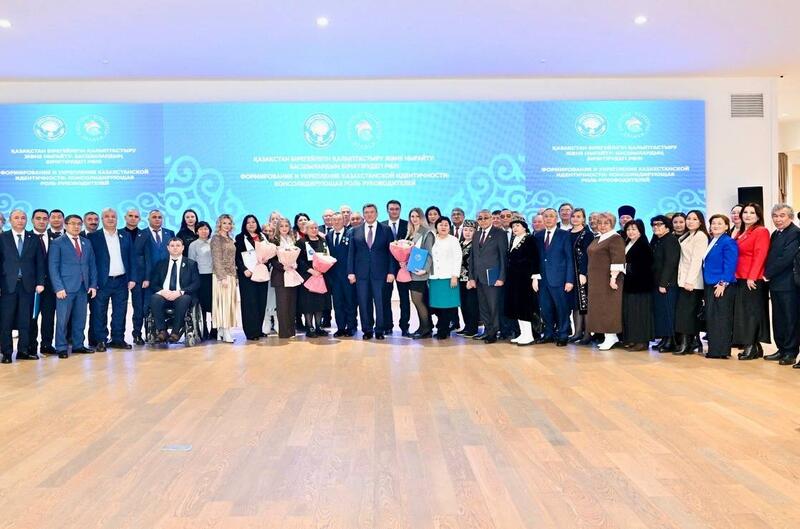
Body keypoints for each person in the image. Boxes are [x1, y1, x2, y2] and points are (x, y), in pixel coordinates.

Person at [49, 214, 97, 359]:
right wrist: (58, 287)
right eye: (73, 223)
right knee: (62, 320)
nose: (76, 226)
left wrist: (93, 284)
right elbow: (53, 267)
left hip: (83, 287)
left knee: (80, 318)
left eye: (79, 224)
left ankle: (78, 345)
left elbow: (92, 265)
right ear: (65, 225)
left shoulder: (86, 242)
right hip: (65, 288)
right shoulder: (57, 243)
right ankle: (61, 347)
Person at [0, 210, 45, 363]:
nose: (20, 220)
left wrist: (40, 282)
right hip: (7, 285)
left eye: (23, 218)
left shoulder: (34, 238)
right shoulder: (2, 237)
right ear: (10, 220)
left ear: (27, 220)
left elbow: (40, 262)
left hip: (28, 286)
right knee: (6, 320)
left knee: (25, 320)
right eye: (16, 218)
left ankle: (23, 351)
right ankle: (6, 353)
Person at [87, 208, 134, 351]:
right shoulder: (93, 237)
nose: (110, 219)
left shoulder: (125, 235)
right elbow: (90, 262)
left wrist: (132, 278)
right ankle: (100, 340)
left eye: (113, 216)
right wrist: (93, 282)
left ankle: (118, 339)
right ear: (102, 219)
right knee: (99, 312)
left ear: (117, 219)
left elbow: (131, 258)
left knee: (120, 312)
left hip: (121, 281)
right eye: (107, 216)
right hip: (102, 282)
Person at [347, 203, 396, 340]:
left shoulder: (386, 229)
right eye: (366, 212)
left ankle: (379, 330)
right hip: (361, 274)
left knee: (380, 302)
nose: (369, 214)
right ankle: (367, 330)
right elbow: (351, 253)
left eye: (372, 212)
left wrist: (391, 272)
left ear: (377, 213)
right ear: (363, 215)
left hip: (381, 274)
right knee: (363, 302)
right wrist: (350, 272)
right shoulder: (355, 230)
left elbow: (391, 253)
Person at [732, 203, 770, 360]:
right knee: (744, 314)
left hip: (752, 279)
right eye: (745, 212)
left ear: (758, 216)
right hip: (740, 278)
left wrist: (752, 276)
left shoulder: (761, 231)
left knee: (751, 314)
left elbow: (760, 255)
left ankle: (750, 346)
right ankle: (755, 347)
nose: (747, 215)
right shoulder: (741, 232)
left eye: (752, 213)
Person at [763, 204, 800, 365]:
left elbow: (786, 258)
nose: (778, 219)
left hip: (789, 284)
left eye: (782, 216)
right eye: (775, 216)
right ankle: (782, 349)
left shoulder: (795, 233)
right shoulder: (776, 233)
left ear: (790, 217)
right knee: (778, 319)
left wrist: (767, 274)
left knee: (790, 319)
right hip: (776, 283)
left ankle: (790, 352)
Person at [532, 208, 574, 346]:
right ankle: (548, 334)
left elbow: (569, 259)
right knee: (545, 309)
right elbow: (536, 259)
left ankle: (563, 335)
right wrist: (535, 277)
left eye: (551, 216)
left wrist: (569, 280)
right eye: (546, 216)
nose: (548, 219)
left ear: (556, 219)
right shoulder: (538, 236)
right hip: (543, 280)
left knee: (562, 308)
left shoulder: (564, 235)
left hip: (559, 279)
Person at [132, 210, 175, 345]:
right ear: (148, 219)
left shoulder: (170, 233)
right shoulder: (142, 234)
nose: (157, 219)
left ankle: (161, 331)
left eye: (159, 217)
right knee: (143, 307)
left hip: (166, 277)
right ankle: (140, 334)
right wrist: (144, 277)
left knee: (162, 304)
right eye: (154, 217)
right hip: (146, 278)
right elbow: (138, 256)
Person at [585, 212, 626, 350]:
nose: (602, 226)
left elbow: (618, 259)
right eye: (600, 223)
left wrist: (613, 278)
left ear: (612, 224)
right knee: (599, 307)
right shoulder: (598, 238)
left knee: (609, 308)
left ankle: (611, 336)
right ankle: (607, 336)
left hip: (608, 280)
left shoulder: (615, 238)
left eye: (606, 223)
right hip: (596, 280)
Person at [148, 238, 201, 343]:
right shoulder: (161, 264)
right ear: (168, 248)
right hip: (164, 295)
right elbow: (153, 284)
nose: (175, 248)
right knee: (154, 298)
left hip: (182, 295)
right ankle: (162, 331)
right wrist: (162, 292)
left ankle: (175, 332)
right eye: (172, 246)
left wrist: (180, 292)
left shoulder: (191, 264)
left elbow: (196, 283)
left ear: (183, 248)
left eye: (178, 245)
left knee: (184, 299)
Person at [467, 209, 508, 343]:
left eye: (486, 218)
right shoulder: (477, 234)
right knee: (483, 306)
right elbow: (473, 257)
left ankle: (493, 332)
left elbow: (503, 256)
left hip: (493, 277)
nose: (483, 220)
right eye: (480, 218)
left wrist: (501, 277)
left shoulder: (499, 233)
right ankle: (487, 329)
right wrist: (471, 277)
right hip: (479, 277)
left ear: (491, 219)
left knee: (493, 306)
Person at [702, 214, 739, 359]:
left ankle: (720, 351)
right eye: (713, 223)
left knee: (721, 318)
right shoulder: (713, 240)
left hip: (721, 285)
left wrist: (723, 283)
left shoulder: (728, 242)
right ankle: (715, 349)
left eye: (719, 223)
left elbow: (730, 264)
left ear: (726, 226)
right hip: (710, 283)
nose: (715, 226)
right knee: (713, 317)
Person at [674, 210, 709, 355]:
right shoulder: (687, 235)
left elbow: (696, 260)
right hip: (683, 280)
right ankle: (689, 343)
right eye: (688, 218)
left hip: (692, 283)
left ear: (700, 222)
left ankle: (686, 344)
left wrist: (690, 281)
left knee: (686, 314)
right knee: (685, 314)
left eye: (694, 219)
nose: (690, 221)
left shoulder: (700, 236)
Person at [504, 219, 540, 346]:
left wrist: (535, 277)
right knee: (517, 307)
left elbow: (535, 258)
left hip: (526, 279)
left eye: (517, 225)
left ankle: (529, 335)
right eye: (513, 226)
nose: (515, 228)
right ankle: (523, 333)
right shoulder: (514, 239)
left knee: (525, 307)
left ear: (524, 227)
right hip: (514, 279)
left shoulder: (530, 239)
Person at [28, 208, 58, 357]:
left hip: (51, 285)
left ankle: (46, 344)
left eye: (45, 219)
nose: (41, 221)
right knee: (30, 318)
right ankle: (31, 346)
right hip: (30, 286)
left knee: (49, 317)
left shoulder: (56, 238)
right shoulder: (26, 237)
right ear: (32, 220)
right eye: (38, 218)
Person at [235, 214, 269, 341]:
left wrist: (267, 259)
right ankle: (251, 332)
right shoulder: (240, 238)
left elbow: (269, 253)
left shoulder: (263, 237)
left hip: (261, 272)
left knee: (261, 302)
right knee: (250, 303)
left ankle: (259, 330)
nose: (251, 224)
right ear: (244, 225)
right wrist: (244, 269)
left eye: (253, 222)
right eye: (248, 222)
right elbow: (237, 257)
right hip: (247, 275)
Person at [621, 219, 654, 351]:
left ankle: (642, 341)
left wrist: (625, 267)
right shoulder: (628, 243)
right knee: (631, 313)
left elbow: (645, 266)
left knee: (640, 314)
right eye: (628, 229)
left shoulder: (644, 245)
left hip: (640, 286)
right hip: (629, 284)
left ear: (640, 231)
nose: (631, 232)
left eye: (634, 229)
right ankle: (633, 339)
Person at [650, 215, 681, 352]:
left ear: (667, 227)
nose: (656, 227)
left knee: (668, 312)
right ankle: (664, 339)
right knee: (661, 312)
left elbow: (670, 263)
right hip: (657, 282)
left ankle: (670, 341)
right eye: (654, 225)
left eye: (659, 224)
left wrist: (664, 283)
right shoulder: (658, 240)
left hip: (667, 284)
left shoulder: (670, 240)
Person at [428, 217, 462, 339]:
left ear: (449, 227)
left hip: (448, 278)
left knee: (447, 307)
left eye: (446, 225)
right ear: (436, 226)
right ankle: (442, 327)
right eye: (441, 224)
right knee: (436, 306)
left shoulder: (453, 240)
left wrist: (455, 276)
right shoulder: (432, 238)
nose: (443, 227)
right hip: (434, 278)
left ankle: (443, 330)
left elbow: (458, 258)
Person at [296, 221, 330, 337]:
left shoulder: (323, 241)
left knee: (320, 303)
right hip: (308, 277)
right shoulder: (301, 242)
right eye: (311, 228)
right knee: (308, 304)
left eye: (316, 227)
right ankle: (310, 328)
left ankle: (319, 327)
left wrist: (322, 269)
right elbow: (298, 260)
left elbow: (327, 257)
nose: (314, 230)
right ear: (306, 229)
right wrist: (310, 270)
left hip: (321, 276)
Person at [325, 212, 357, 337]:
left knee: (350, 302)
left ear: (344, 221)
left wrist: (352, 272)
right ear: (331, 222)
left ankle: (351, 327)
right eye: (334, 220)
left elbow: (353, 255)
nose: (337, 222)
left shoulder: (351, 234)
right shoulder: (328, 236)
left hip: (348, 275)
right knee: (337, 303)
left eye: (339, 220)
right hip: (334, 277)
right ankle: (340, 327)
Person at [381, 199, 410, 336]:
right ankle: (387, 325)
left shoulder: (408, 225)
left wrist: (406, 262)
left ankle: (404, 326)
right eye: (391, 209)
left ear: (400, 210)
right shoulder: (381, 225)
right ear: (387, 210)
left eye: (396, 209)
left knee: (404, 298)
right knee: (385, 298)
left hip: (404, 267)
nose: (394, 211)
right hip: (386, 268)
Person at [406, 207, 434, 339]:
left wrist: (425, 269)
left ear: (422, 217)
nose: (414, 219)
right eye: (412, 216)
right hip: (411, 272)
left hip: (420, 273)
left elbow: (430, 254)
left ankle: (426, 329)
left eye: (417, 216)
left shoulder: (427, 233)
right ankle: (423, 326)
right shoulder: (410, 232)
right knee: (417, 301)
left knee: (418, 301)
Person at [211, 214, 238, 343]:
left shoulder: (230, 239)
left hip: (231, 274)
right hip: (221, 276)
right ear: (219, 224)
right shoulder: (216, 238)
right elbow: (216, 259)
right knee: (223, 304)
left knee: (229, 303)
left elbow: (232, 259)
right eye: (224, 223)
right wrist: (222, 277)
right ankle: (226, 331)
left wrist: (235, 276)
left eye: (229, 223)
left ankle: (222, 330)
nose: (227, 226)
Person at [270, 218, 299, 339]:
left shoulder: (292, 240)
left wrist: (294, 264)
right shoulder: (274, 241)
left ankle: (291, 331)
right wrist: (283, 267)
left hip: (292, 274)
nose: (284, 228)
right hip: (280, 276)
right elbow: (272, 259)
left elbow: (296, 255)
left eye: (286, 226)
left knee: (291, 304)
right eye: (281, 226)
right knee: (282, 305)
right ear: (278, 228)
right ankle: (284, 332)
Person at [569, 208, 593, 343]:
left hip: (582, 274)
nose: (575, 218)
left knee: (584, 303)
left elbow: (587, 255)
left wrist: (583, 273)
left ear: (583, 219)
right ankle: (577, 332)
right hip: (570, 273)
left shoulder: (587, 234)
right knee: (575, 304)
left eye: (578, 216)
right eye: (573, 216)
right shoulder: (567, 233)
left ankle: (587, 334)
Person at [188, 221, 214, 340]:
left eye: (206, 229)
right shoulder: (193, 245)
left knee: (214, 304)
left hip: (213, 276)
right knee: (202, 303)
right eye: (201, 229)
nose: (204, 231)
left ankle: (215, 329)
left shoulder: (214, 242)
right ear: (197, 231)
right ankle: (203, 329)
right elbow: (191, 262)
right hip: (201, 277)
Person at [456, 220, 479, 337]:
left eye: (471, 230)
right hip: (459, 278)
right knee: (463, 304)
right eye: (465, 230)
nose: (468, 232)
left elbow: (476, 264)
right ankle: (466, 326)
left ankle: (473, 328)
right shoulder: (459, 243)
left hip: (470, 280)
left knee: (471, 304)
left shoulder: (476, 245)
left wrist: (472, 278)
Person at [262, 222, 280, 336]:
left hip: (274, 274)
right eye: (265, 231)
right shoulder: (259, 243)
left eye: (270, 231)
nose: (268, 233)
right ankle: (267, 321)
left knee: (274, 297)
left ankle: (276, 320)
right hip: (261, 274)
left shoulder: (276, 243)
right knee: (265, 298)